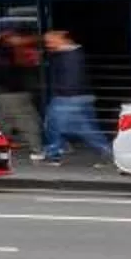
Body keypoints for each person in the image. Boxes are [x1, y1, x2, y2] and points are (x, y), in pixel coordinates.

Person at [39, 29, 112, 164]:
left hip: (68, 97)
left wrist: (63, 92)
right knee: (86, 128)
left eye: (50, 41)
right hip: (79, 96)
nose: (48, 45)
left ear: (61, 39)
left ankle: (53, 154)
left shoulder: (69, 55)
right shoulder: (69, 53)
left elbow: (71, 77)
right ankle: (106, 151)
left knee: (53, 125)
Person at [0, 25, 43, 160]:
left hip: (10, 90)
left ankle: (36, 149)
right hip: (5, 90)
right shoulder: (2, 48)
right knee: (0, 121)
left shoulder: (12, 49)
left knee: (18, 120)